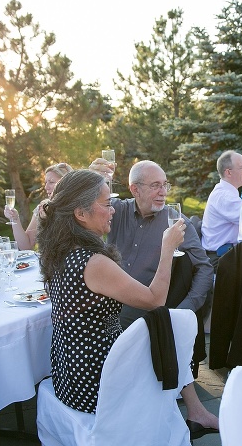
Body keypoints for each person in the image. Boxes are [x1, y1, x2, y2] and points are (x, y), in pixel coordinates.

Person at [38, 169, 185, 414]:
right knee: (173, 345)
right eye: (106, 204)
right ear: (81, 213)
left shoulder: (60, 248)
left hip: (69, 371)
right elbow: (154, 299)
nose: (113, 210)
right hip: (98, 379)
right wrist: (167, 249)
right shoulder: (92, 262)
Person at [95, 159, 219, 435]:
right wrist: (94, 176)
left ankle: (190, 413)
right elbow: (81, 208)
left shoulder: (175, 220)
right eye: (154, 186)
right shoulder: (115, 213)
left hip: (147, 303)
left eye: (165, 184)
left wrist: (187, 308)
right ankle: (190, 412)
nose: (163, 192)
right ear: (134, 189)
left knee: (162, 322)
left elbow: (204, 267)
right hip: (112, 298)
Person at [5, 162, 73, 251]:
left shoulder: (79, 209)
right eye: (45, 183)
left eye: (51, 182)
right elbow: (26, 246)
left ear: (66, 184)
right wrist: (15, 218)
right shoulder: (42, 208)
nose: (46, 187)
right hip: (46, 263)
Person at [201, 151, 242, 269]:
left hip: (225, 256)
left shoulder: (226, 192)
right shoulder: (224, 196)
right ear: (228, 172)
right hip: (221, 261)